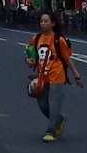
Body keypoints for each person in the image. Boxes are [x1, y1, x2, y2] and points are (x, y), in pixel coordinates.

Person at [25, 10, 82, 141]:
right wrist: (28, 60)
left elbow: (67, 59)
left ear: (53, 23)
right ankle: (59, 119)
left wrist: (76, 75)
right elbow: (30, 55)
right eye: (41, 22)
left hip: (57, 74)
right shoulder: (36, 38)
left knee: (55, 103)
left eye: (46, 21)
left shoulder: (59, 39)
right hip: (41, 75)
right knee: (43, 105)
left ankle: (51, 131)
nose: (43, 24)